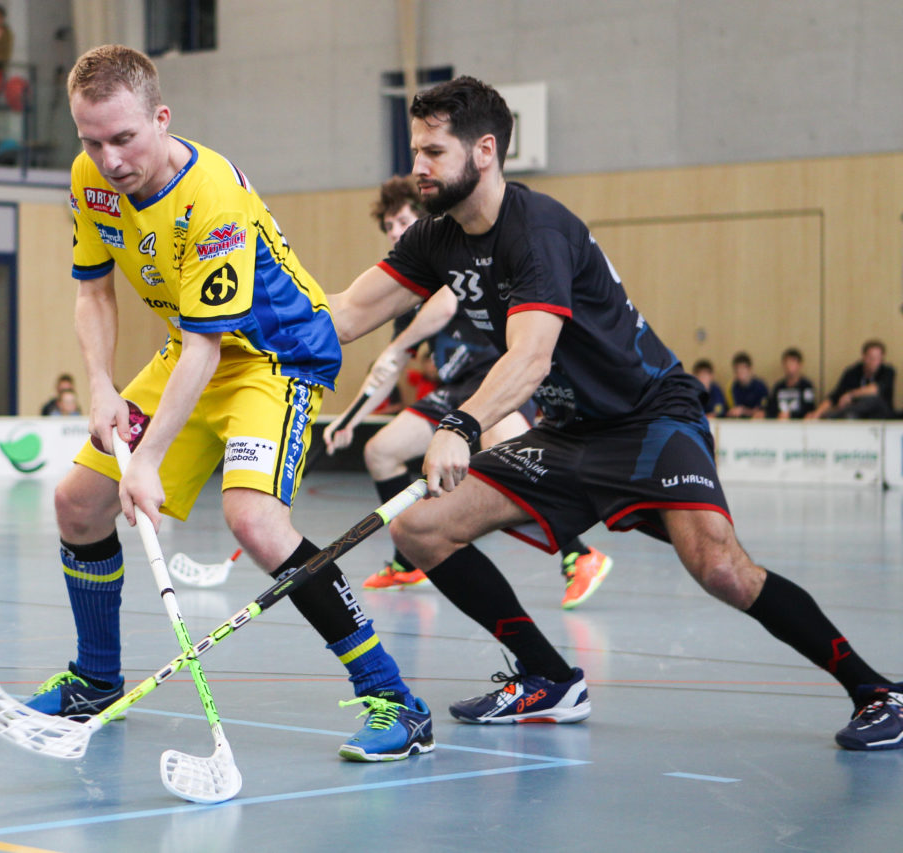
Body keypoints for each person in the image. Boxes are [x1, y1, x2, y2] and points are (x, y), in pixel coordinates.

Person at [328, 75, 902, 750]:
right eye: (415, 151)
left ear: (484, 151)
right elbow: (346, 314)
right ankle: (548, 678)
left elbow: (531, 357)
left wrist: (460, 425)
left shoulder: (537, 230)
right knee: (422, 529)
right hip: (570, 431)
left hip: (649, 416)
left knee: (720, 567)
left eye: (433, 151)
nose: (418, 166)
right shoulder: (436, 238)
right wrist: (251, 312)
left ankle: (877, 691)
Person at [39, 44, 432, 763]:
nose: (109, 160)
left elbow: (206, 346)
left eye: (124, 138)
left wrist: (147, 460)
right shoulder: (89, 178)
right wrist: (99, 385)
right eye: (91, 141)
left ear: (162, 118)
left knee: (254, 520)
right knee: (77, 503)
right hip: (191, 346)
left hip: (274, 357)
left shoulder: (211, 195)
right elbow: (93, 290)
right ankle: (95, 681)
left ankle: (395, 700)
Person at [324, 176, 614, 606]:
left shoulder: (448, 257)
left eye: (401, 221)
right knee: (381, 451)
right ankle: (408, 562)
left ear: (422, 220)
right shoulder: (404, 293)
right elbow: (390, 365)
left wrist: (400, 345)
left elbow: (442, 308)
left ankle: (580, 555)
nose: (394, 231)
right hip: (453, 390)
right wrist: (350, 419)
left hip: (493, 382)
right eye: (387, 226)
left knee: (513, 461)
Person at [809, 339, 895, 419]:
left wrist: (851, 395)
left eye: (877, 358)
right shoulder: (853, 372)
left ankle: (837, 413)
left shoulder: (888, 371)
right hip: (857, 413)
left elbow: (875, 390)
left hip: (881, 415)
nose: (873, 362)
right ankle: (834, 415)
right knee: (849, 414)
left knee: (872, 400)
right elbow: (835, 396)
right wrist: (817, 412)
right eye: (870, 358)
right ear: (863, 357)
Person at [766, 347, 817, 420]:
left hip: (800, 423)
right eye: (787, 363)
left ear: (799, 365)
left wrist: (791, 415)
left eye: (792, 363)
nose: (789, 366)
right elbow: (771, 408)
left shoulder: (806, 386)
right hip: (780, 423)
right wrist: (778, 415)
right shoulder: (778, 387)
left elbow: (809, 408)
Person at [724, 351, 766, 418]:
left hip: (756, 422)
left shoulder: (760, 387)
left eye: (743, 369)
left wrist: (744, 411)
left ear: (749, 369)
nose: (740, 372)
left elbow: (762, 411)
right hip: (739, 422)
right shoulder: (731, 388)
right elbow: (731, 412)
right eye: (737, 369)